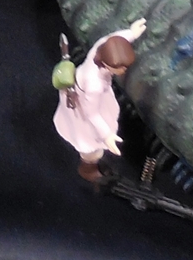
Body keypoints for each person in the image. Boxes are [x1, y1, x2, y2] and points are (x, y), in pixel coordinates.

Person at [52, 18, 145, 181]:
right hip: (85, 106)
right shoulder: (94, 84)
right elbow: (92, 113)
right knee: (91, 147)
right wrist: (106, 135)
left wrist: (131, 33)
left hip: (88, 95)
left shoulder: (100, 49)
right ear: (108, 65)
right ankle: (88, 168)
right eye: (120, 67)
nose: (123, 71)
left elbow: (110, 39)